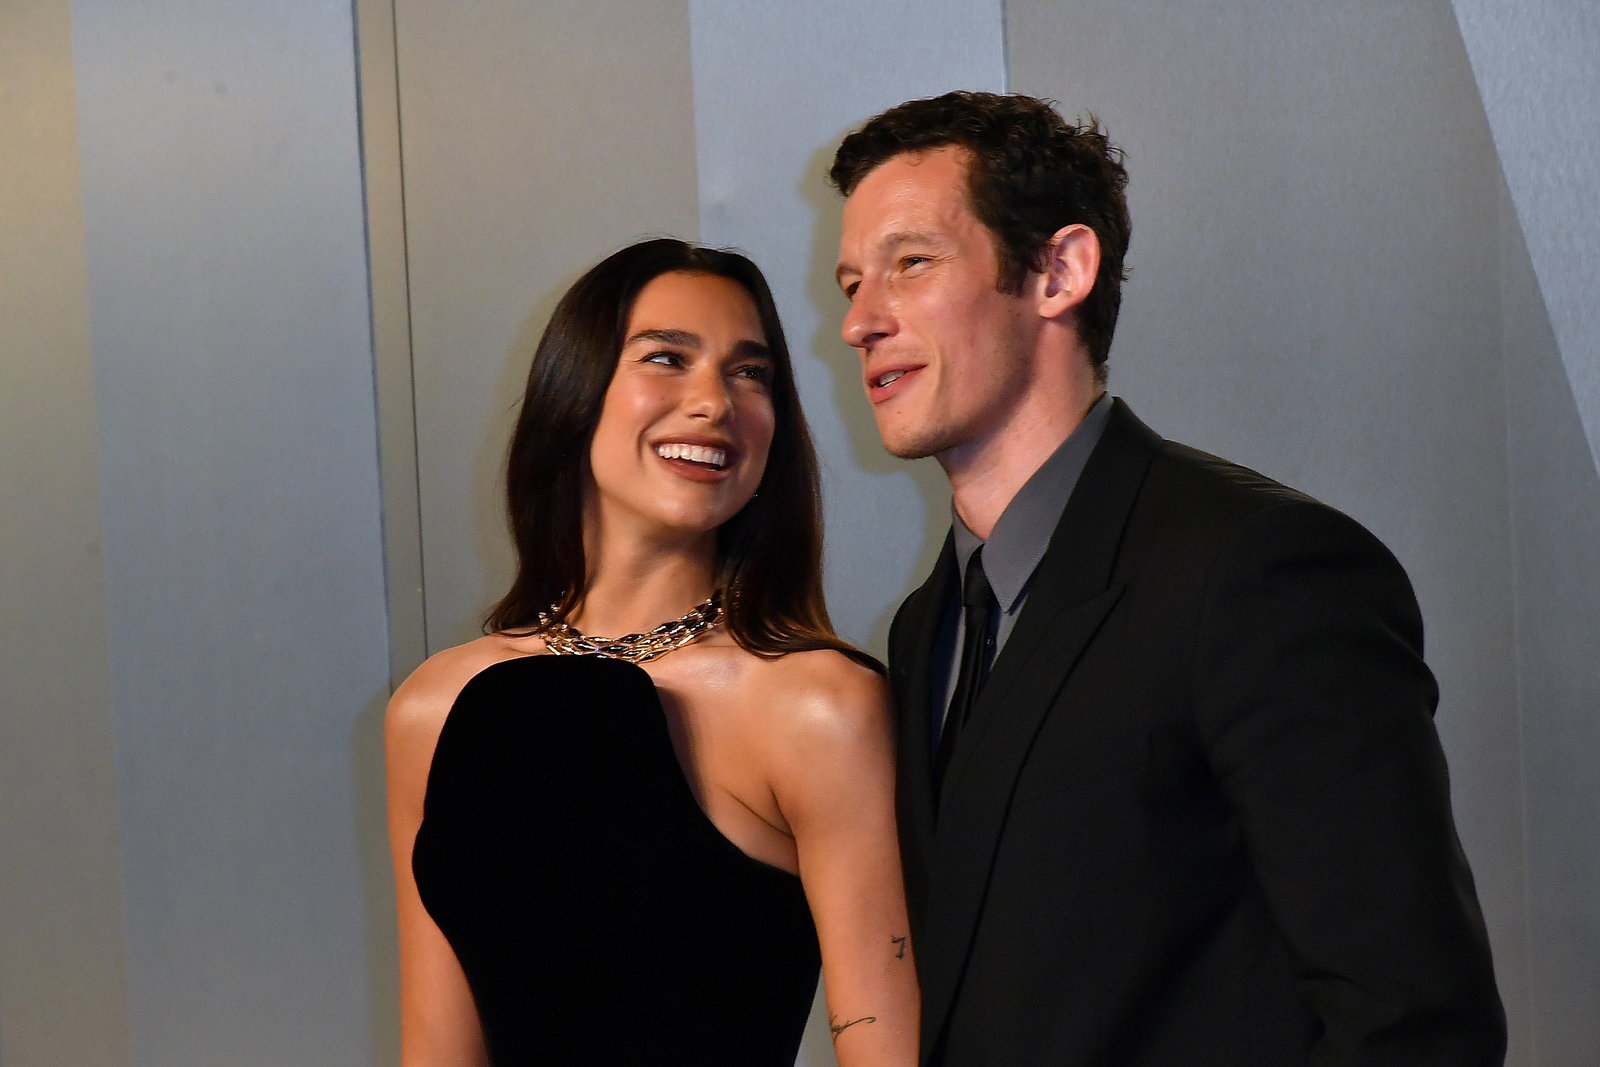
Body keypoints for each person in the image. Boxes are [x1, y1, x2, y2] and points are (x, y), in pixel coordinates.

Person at [829, 91, 1505, 1065]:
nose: (858, 321)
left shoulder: (1261, 571)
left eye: (910, 263)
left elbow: (1410, 1020)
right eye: (851, 280)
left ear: (1059, 270)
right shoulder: (924, 628)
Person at [385, 238, 918, 1065]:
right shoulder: (435, 707)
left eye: (752, 373)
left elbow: (885, 1046)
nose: (714, 401)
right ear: (576, 390)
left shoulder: (821, 706)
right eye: (667, 358)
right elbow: (437, 1049)